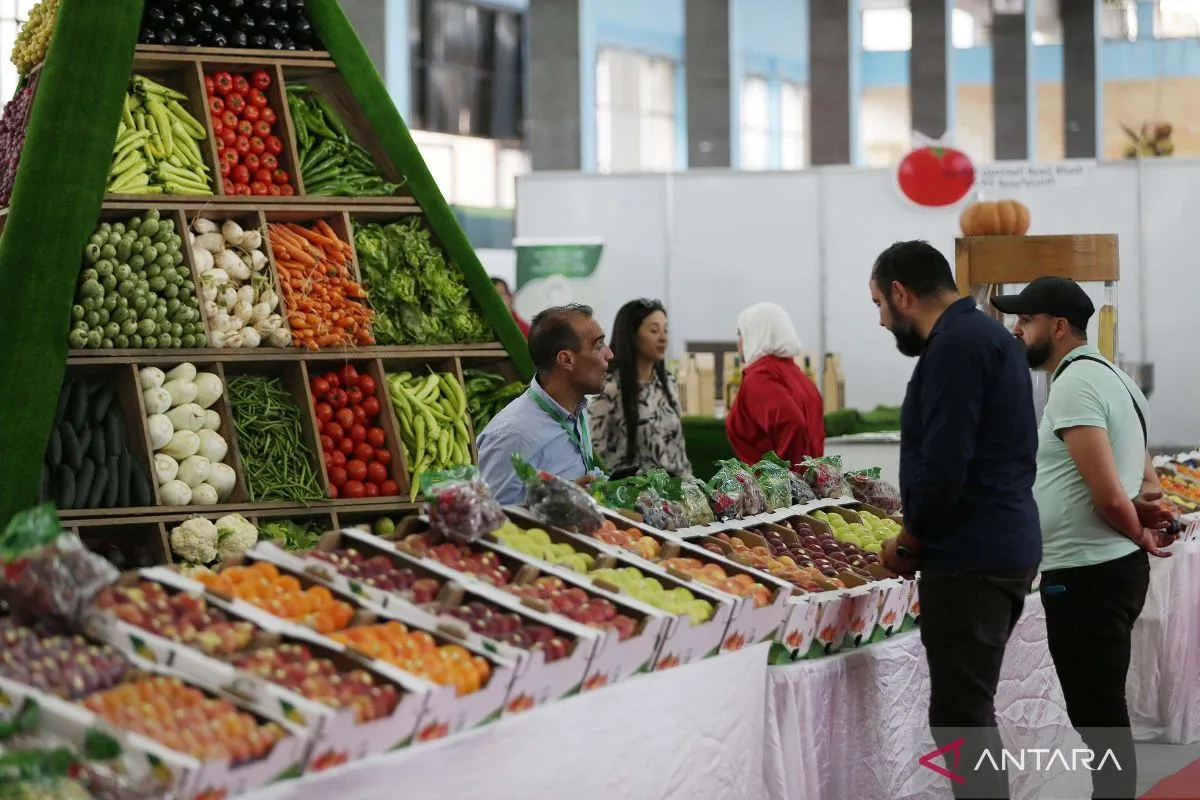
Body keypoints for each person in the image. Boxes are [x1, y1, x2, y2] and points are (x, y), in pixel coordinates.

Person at [868, 240, 1041, 799]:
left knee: (962, 718)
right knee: (968, 712)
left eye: (879, 303)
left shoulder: (956, 346)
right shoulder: (988, 336)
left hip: (972, 557)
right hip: (998, 546)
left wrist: (909, 542)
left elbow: (945, 466)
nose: (880, 320)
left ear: (901, 293)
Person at [993, 277, 1177, 799]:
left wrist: (1139, 531)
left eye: (1025, 320)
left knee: (1098, 715)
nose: (1016, 330)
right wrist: (1140, 518)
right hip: (1108, 569)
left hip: (1088, 574)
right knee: (1102, 709)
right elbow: (1147, 482)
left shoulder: (1074, 383)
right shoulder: (1117, 379)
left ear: (1057, 327)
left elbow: (1108, 497)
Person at [476, 304, 612, 505]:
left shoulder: (575, 409)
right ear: (566, 360)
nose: (609, 354)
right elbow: (492, 514)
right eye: (599, 346)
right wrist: (555, 501)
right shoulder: (514, 433)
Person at [588, 299, 692, 478]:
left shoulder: (668, 383)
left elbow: (679, 454)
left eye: (666, 330)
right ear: (632, 335)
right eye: (654, 330)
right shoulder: (608, 388)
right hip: (629, 492)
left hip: (675, 490)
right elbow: (593, 456)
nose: (663, 337)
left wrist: (694, 489)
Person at [724, 302, 824, 467]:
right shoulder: (799, 378)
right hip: (811, 480)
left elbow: (792, 423)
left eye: (741, 333)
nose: (739, 341)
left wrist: (784, 477)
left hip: (779, 483)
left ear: (756, 334)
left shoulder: (760, 378)